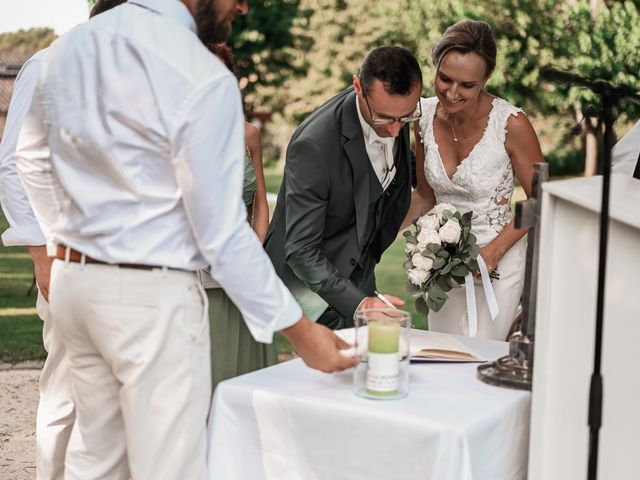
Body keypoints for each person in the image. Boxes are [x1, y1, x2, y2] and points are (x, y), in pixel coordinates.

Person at [15, 1, 356, 479]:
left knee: (96, 462)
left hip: (76, 287)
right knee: (169, 465)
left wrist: (64, 239)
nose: (243, 6)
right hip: (150, 299)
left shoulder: (65, 50)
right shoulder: (199, 73)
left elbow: (27, 155)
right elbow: (221, 234)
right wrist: (302, 332)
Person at [0, 2, 125, 477]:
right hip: (69, 258)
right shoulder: (48, 65)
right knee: (67, 390)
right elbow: (12, 163)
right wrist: (42, 254)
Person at [264, 46, 423, 330]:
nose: (396, 131)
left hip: (359, 273)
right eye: (384, 118)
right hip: (308, 294)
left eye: (406, 118)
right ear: (358, 87)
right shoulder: (314, 145)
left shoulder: (394, 112)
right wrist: (359, 304)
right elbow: (301, 249)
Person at [404, 20, 544, 340]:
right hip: (442, 265)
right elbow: (425, 196)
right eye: (444, 79)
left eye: (467, 85)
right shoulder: (421, 117)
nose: (452, 93)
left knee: (481, 362)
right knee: (443, 356)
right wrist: (387, 235)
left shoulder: (511, 124)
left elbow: (541, 198)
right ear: (435, 66)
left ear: (486, 79)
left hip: (496, 263)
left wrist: (494, 250)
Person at [202, 43, 276, 391]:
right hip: (196, 277)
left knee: (244, 377)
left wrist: (253, 253)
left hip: (243, 273)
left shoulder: (248, 134)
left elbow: (260, 203)